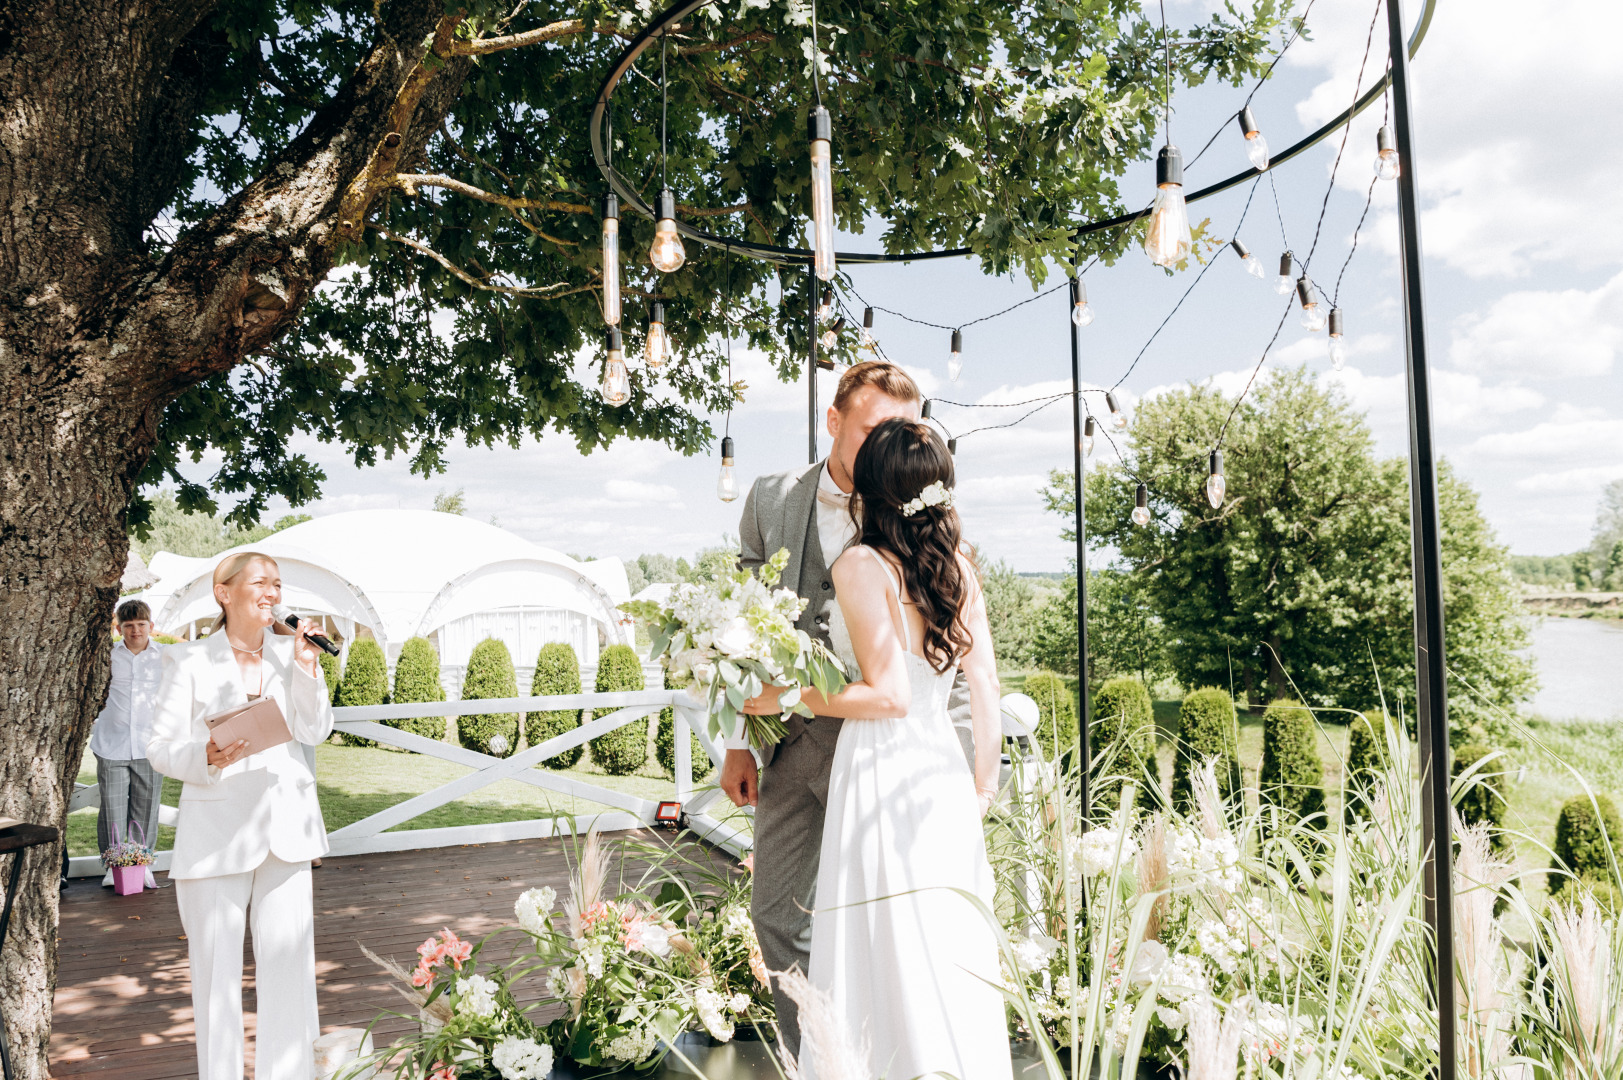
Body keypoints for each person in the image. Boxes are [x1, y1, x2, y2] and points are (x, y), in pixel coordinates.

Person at [744, 418, 1010, 1080]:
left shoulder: (862, 565)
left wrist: (789, 698)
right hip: (941, 774)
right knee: (941, 946)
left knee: (877, 942)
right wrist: (982, 787)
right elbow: (984, 687)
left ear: (873, 485)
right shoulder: (958, 568)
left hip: (881, 770)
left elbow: (888, 695)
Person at [147, 551, 334, 1080]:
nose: (272, 591)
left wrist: (306, 666)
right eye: (260, 581)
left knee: (289, 972)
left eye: (277, 583)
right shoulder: (186, 662)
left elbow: (315, 729)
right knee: (216, 978)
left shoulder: (291, 655)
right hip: (215, 835)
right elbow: (159, 747)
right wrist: (202, 756)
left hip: (288, 832)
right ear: (224, 592)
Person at [90, 599, 166, 888]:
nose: (135, 631)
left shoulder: (165, 656)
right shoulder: (108, 654)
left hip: (151, 745)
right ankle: (114, 866)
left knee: (146, 808)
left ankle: (141, 865)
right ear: (119, 627)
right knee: (112, 808)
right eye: (129, 626)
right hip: (112, 744)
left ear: (151, 626)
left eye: (141, 625)